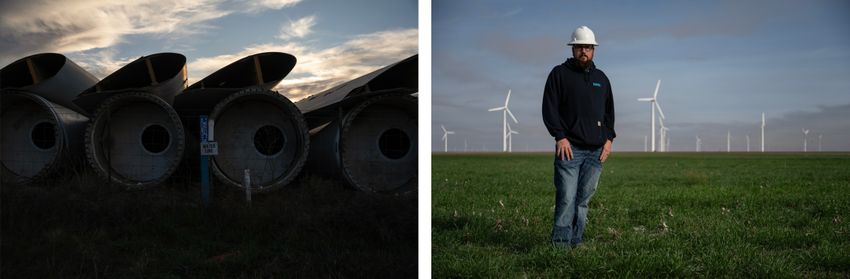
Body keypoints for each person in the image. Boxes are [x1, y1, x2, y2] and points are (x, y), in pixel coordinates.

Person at [541, 25, 615, 249]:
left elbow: (609, 112)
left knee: (583, 200)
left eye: (589, 47)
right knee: (566, 198)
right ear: (573, 48)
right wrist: (560, 136)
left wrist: (609, 139)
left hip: (596, 152)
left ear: (594, 50)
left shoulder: (601, 78)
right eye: (580, 46)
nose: (584, 50)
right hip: (569, 149)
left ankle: (576, 240)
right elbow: (549, 108)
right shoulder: (559, 74)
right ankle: (561, 245)